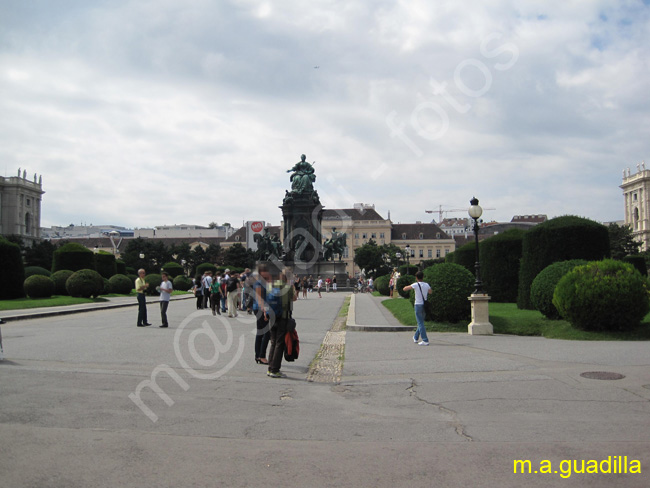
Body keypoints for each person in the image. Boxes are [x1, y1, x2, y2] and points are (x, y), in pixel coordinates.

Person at [267, 270, 297, 378]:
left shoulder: (271, 286)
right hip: (283, 317)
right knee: (280, 343)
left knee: (273, 342)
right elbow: (294, 299)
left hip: (272, 317)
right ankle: (275, 370)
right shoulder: (288, 287)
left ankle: (270, 368)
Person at [403, 271, 432, 346]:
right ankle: (415, 337)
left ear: (416, 278)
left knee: (420, 323)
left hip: (418, 304)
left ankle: (425, 340)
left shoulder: (415, 284)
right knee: (421, 321)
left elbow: (405, 289)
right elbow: (430, 292)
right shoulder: (426, 284)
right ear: (423, 277)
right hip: (424, 305)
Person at [253, 265, 272, 365]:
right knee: (266, 333)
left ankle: (258, 355)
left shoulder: (263, 282)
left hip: (260, 308)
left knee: (260, 332)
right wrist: (265, 311)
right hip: (260, 309)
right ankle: (262, 356)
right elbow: (259, 298)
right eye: (265, 271)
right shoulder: (259, 283)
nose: (268, 273)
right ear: (261, 273)